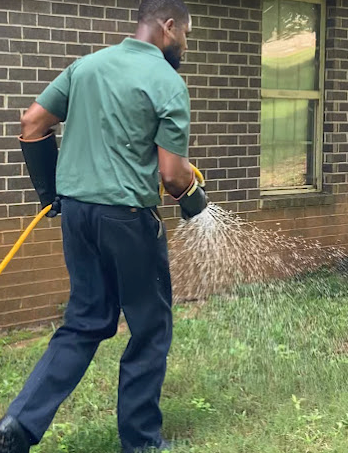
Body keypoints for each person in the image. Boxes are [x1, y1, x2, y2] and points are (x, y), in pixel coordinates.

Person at [0, 0, 207, 452]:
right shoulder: (168, 82)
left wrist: (51, 193)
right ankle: (142, 441)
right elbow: (172, 175)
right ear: (169, 26)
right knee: (150, 326)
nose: (185, 46)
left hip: (76, 215)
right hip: (127, 219)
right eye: (187, 35)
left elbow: (32, 123)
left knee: (86, 321)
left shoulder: (86, 66)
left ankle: (17, 425)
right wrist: (196, 198)